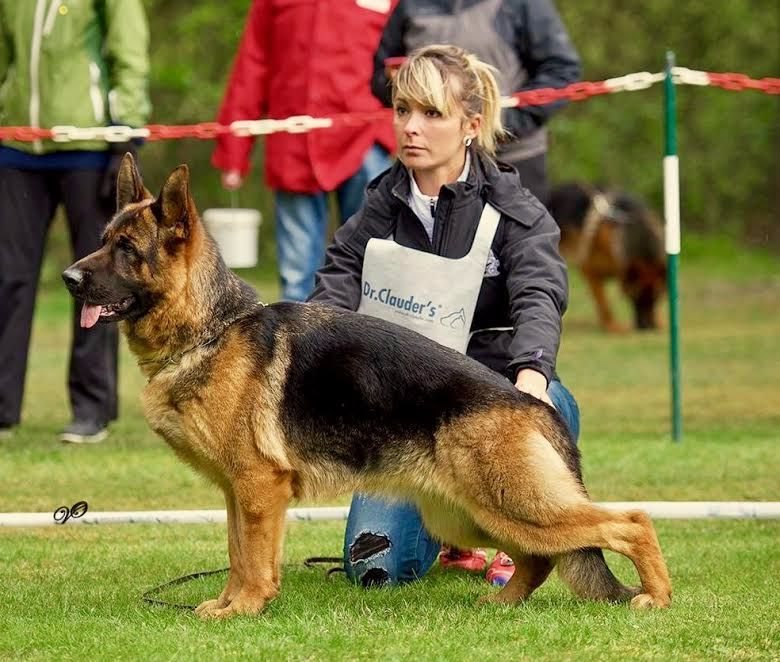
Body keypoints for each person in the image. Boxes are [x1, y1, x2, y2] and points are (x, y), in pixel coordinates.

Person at [309, 45, 580, 588]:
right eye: (403, 110)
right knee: (375, 573)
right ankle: (455, 535)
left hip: (492, 407)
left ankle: (513, 531)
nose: (412, 127)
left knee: (552, 403)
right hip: (402, 426)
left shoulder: (515, 211)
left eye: (432, 114)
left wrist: (531, 372)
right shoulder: (377, 209)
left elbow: (541, 291)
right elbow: (333, 291)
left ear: (470, 126)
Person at [0, 0, 150, 443]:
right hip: (17, 149)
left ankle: (91, 408)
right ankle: (3, 410)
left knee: (98, 282)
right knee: (9, 278)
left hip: (87, 146)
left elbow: (129, 51)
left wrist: (126, 130)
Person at [212, 0, 399, 303]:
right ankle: (301, 349)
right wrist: (234, 150)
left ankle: (369, 348)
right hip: (293, 145)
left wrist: (396, 134)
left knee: (374, 269)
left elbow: (405, 51)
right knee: (298, 278)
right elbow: (252, 63)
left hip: (365, 141)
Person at [371, 0, 580, 204]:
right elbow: (381, 77)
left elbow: (561, 70)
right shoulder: (410, 5)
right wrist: (404, 91)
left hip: (513, 162)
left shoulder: (524, 4)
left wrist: (501, 124)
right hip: (433, 170)